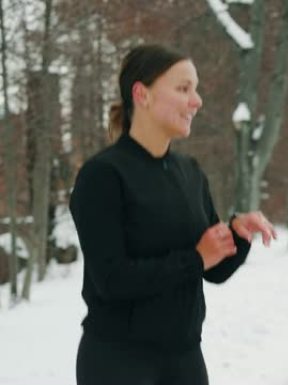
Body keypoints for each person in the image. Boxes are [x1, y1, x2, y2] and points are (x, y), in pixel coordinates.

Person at [69, 44, 277, 385]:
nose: (196, 101)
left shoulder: (190, 172)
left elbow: (215, 270)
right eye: (183, 89)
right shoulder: (103, 175)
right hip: (118, 363)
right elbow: (112, 280)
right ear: (142, 94)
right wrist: (196, 259)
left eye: (195, 89)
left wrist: (237, 235)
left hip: (185, 360)